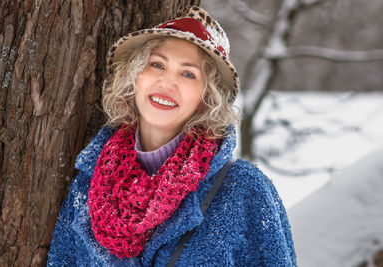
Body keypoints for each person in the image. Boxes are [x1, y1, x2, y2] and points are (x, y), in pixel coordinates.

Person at [47, 6, 296, 267]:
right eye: (157, 65)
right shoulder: (90, 183)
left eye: (188, 74)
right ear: (135, 78)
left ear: (206, 97)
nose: (167, 83)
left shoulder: (245, 189)